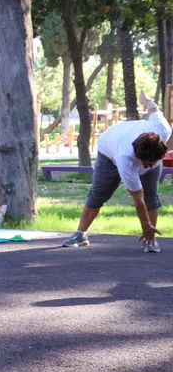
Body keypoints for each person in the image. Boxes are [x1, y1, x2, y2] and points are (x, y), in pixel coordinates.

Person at [62, 92, 170, 252]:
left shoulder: (162, 128)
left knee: (151, 195)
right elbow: (138, 201)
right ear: (137, 157)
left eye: (155, 162)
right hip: (108, 152)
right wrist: (146, 225)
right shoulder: (124, 158)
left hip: (131, 142)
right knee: (99, 193)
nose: (150, 167)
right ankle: (80, 234)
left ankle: (151, 239)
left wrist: (145, 100)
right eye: (147, 164)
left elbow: (153, 108)